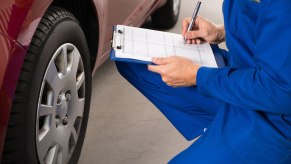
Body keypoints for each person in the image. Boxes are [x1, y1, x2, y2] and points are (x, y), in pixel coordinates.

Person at [115, 0, 291, 163]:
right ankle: (218, 132)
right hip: (243, 77)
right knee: (131, 60)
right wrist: (221, 32)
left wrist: (196, 75)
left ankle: (231, 140)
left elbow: (278, 89)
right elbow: (273, 29)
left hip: (272, 119)